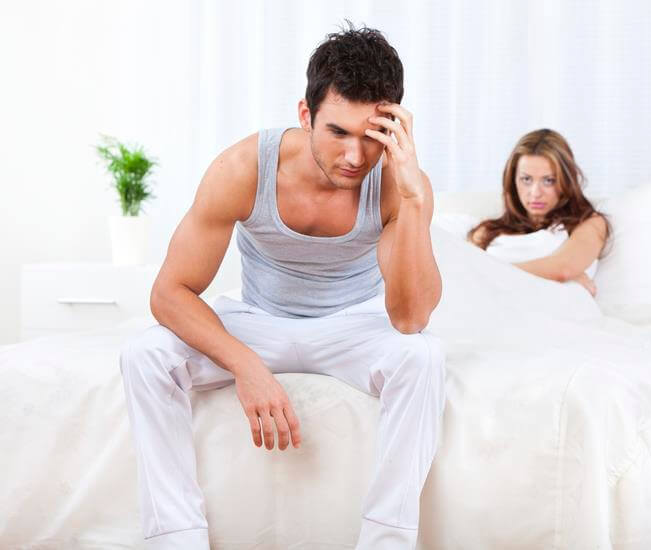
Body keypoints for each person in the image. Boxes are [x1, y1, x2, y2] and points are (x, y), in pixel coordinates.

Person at [119, 23, 445, 550]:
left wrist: (411, 198)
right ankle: (176, 538)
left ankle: (387, 541)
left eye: (371, 137)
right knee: (145, 354)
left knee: (424, 357)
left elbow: (409, 318)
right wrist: (244, 365)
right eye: (338, 132)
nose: (355, 157)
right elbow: (169, 292)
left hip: (352, 325)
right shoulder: (244, 167)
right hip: (260, 320)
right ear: (305, 115)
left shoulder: (399, 185)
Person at [467, 129, 610, 297]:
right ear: (513, 180)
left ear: (566, 181)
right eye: (526, 179)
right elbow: (467, 278)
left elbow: (563, 269)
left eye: (549, 180)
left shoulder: (589, 223)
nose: (535, 193)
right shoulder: (487, 231)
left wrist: (490, 272)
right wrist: (551, 275)